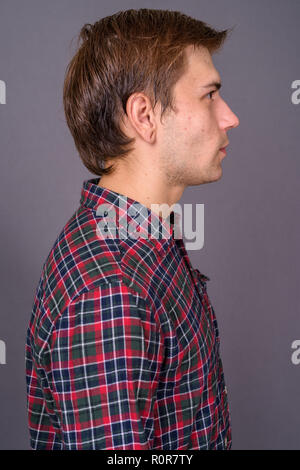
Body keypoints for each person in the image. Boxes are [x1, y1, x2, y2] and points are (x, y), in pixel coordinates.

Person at [25, 8, 239, 450]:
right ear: (144, 115)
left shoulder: (144, 244)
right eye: (209, 95)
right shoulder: (111, 288)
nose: (229, 117)